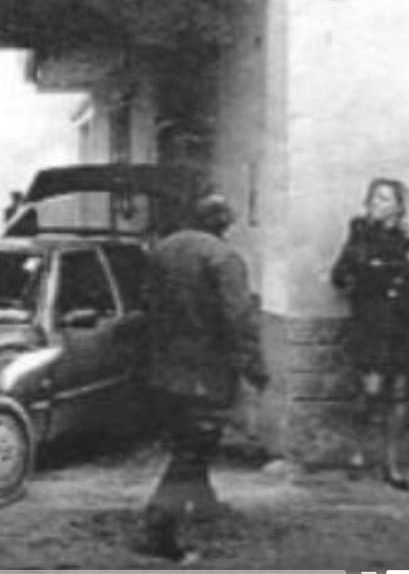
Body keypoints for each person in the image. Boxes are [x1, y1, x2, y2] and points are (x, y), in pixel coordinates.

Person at [134, 193, 268, 562]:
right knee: (194, 449)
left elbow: (145, 303)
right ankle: (158, 527)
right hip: (206, 371)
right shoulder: (224, 258)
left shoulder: (163, 250)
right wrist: (255, 368)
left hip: (163, 368)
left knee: (188, 439)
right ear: (225, 223)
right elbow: (239, 320)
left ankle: (203, 502)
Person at [330, 178, 409, 491]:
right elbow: (342, 272)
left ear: (398, 206)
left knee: (399, 392)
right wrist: (379, 270)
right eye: (373, 197)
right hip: (371, 321)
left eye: (384, 198)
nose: (376, 203)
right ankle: (358, 449)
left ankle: (392, 462)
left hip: (404, 321)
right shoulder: (360, 230)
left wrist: (379, 266)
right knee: (370, 390)